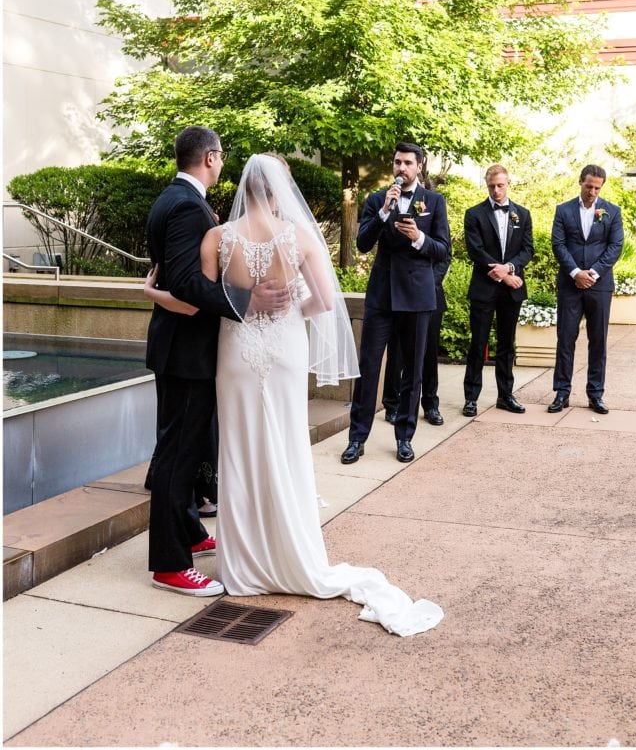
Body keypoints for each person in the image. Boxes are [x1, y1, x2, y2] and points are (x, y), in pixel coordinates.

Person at [147, 153, 443, 636]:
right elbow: (324, 302)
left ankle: (242, 562)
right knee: (285, 444)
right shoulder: (299, 236)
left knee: (239, 447)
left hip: (237, 350)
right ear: (280, 189)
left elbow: (199, 301)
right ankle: (290, 549)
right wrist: (285, 314)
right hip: (283, 348)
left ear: (246, 186)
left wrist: (155, 294)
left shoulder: (218, 237)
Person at [144, 127, 288, 597]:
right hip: (187, 352)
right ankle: (169, 565)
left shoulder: (172, 199)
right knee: (178, 454)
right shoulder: (188, 206)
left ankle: (189, 531)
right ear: (211, 157)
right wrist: (249, 301)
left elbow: (172, 276)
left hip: (179, 347)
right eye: (221, 157)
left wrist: (152, 292)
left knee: (187, 447)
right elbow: (188, 285)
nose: (223, 164)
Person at [340, 142, 451, 465]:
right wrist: (384, 213)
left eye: (407, 163)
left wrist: (418, 237)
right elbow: (362, 244)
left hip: (417, 296)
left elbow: (443, 248)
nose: (401, 168)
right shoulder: (378, 199)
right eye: (397, 162)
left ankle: (404, 437)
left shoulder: (434, 201)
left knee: (412, 371)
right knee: (368, 368)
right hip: (382, 295)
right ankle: (356, 439)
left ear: (419, 167)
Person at [548, 165, 624, 415]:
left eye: (597, 188)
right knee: (565, 339)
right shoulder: (563, 210)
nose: (592, 192)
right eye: (588, 186)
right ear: (580, 182)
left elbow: (616, 246)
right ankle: (562, 392)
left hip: (599, 286)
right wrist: (575, 273)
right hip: (570, 285)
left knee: (598, 340)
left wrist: (593, 273)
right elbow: (558, 244)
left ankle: (595, 394)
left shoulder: (613, 211)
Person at [462, 164, 534, 417]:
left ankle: (505, 395)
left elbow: (527, 249)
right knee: (478, 343)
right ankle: (471, 398)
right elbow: (475, 250)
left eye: (500, 185)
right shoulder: (474, 214)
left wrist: (509, 269)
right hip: (484, 288)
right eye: (491, 186)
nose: (496, 190)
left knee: (507, 344)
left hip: (512, 291)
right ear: (487, 185)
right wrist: (505, 276)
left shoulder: (522, 214)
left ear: (508, 183)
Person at [382, 174, 452, 427]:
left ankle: (430, 404)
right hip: (398, 292)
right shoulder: (389, 204)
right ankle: (392, 403)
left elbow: (444, 254)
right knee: (397, 351)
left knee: (429, 353)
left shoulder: (434, 206)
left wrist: (428, 284)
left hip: (428, 294)